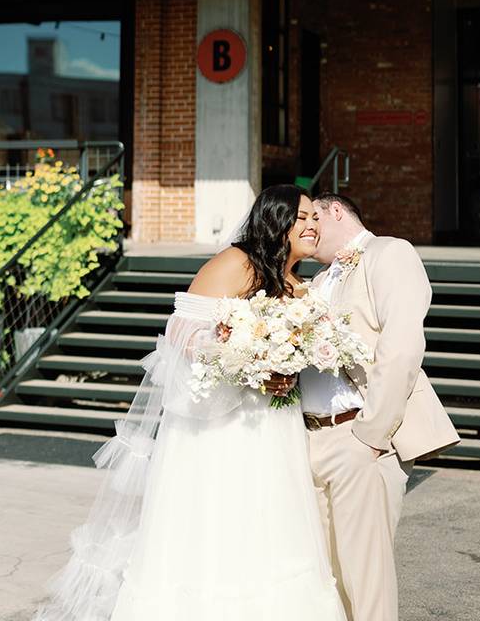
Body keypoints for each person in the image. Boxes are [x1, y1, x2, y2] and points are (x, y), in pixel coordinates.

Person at [35, 185, 345, 621]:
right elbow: (182, 331)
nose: (312, 225)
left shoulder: (298, 284)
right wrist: (252, 363)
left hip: (275, 424)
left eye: (316, 217)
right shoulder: (237, 263)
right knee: (223, 516)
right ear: (275, 221)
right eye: (302, 217)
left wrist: (285, 365)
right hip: (225, 422)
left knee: (271, 522)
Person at [299, 192, 461, 621]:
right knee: (325, 576)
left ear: (335, 210)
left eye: (313, 216)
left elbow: (402, 347)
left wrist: (370, 438)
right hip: (308, 438)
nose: (307, 230)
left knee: (365, 579)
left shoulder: (389, 252)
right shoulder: (314, 282)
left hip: (359, 436)